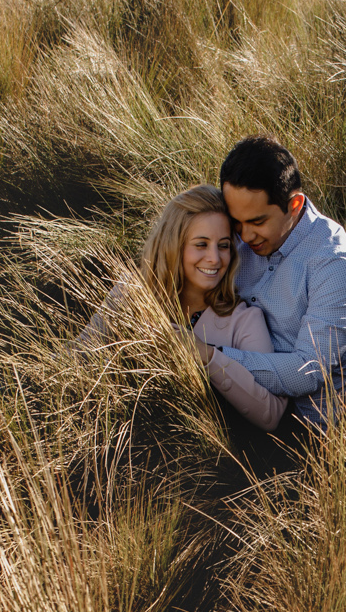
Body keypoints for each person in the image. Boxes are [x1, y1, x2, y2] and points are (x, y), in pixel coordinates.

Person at [86, 184, 291, 432]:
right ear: (175, 245)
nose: (215, 258)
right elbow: (79, 356)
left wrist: (206, 355)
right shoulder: (129, 296)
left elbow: (271, 413)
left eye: (223, 245)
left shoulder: (244, 319)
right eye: (201, 244)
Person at [213, 136, 346, 431]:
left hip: (302, 430)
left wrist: (212, 357)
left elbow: (309, 371)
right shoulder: (236, 235)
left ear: (295, 205)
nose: (244, 237)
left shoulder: (336, 264)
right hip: (230, 400)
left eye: (258, 222)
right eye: (237, 222)